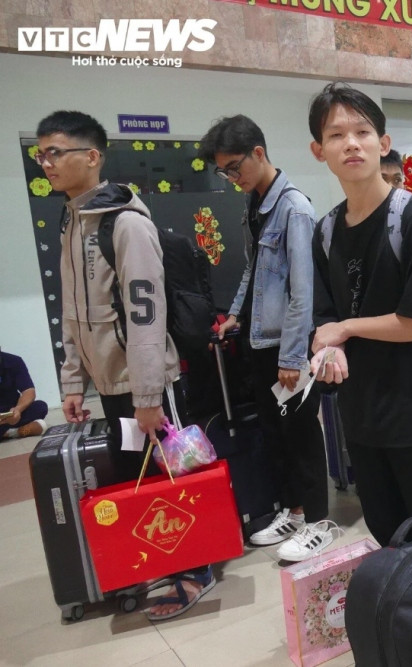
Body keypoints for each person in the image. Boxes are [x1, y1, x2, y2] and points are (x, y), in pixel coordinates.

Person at [38, 110, 213, 620]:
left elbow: (146, 316)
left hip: (147, 383)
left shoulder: (127, 224)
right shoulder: (73, 220)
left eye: (56, 152)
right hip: (111, 384)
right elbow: (74, 310)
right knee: (141, 474)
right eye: (41, 153)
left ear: (91, 158)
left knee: (174, 474)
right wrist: (73, 381)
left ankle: (195, 570)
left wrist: (146, 397)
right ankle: (171, 559)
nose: (46, 162)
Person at [308, 82, 412, 548]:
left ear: (383, 144)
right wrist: (326, 344)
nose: (351, 143)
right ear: (319, 151)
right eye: (336, 135)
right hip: (360, 416)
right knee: (386, 533)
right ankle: (402, 619)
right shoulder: (327, 230)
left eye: (362, 131)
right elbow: (324, 319)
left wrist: (346, 327)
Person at [199, 115, 329, 562]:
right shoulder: (255, 204)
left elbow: (302, 289)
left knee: (301, 434)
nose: (232, 178)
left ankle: (318, 520)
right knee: (275, 433)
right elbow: (254, 271)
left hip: (285, 343)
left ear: (258, 152)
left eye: (234, 167)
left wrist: (293, 355)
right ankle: (294, 511)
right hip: (259, 340)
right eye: (224, 172)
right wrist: (235, 314)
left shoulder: (294, 208)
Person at [0, 348, 48, 439]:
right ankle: (13, 432)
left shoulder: (14, 361)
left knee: (40, 406)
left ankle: (6, 431)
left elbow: (28, 391)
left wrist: (18, 410)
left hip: (11, 411)